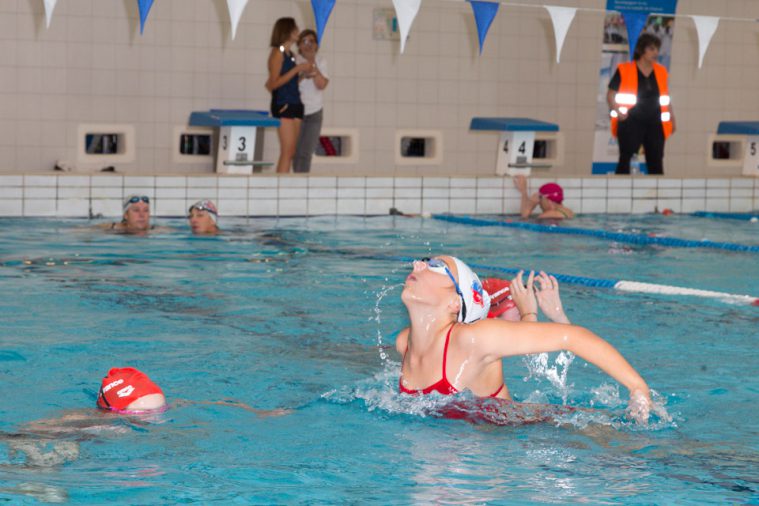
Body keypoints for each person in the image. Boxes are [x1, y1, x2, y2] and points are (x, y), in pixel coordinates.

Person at [396, 256, 653, 423]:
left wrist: (638, 388)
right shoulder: (404, 343)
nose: (418, 265)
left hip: (536, 432)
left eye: (436, 266)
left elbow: (572, 337)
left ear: (455, 302)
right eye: (424, 261)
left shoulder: (473, 340)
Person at [607, 33, 676, 175]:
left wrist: (672, 118)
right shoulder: (624, 69)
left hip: (655, 123)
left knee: (656, 162)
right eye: (651, 49)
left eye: (657, 49)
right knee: (625, 161)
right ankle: (620, 194)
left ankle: (656, 195)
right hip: (630, 122)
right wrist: (618, 111)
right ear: (641, 50)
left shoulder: (661, 71)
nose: (655, 52)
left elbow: (665, 97)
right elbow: (611, 94)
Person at [265, 17, 313, 174]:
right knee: (287, 151)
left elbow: (288, 80)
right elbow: (272, 84)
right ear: (287, 31)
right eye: (295, 29)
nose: (298, 32)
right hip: (283, 103)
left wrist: (302, 75)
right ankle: (280, 189)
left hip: (295, 102)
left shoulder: (290, 54)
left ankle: (285, 185)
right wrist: (297, 69)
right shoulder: (277, 53)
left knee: (292, 151)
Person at [293, 29, 329, 174]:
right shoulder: (294, 59)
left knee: (307, 153)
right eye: (305, 41)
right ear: (299, 45)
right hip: (297, 111)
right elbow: (288, 85)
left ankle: (303, 183)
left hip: (315, 112)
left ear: (316, 45)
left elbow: (321, 85)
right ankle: (295, 181)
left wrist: (313, 65)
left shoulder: (321, 61)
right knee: (296, 151)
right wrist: (302, 74)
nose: (308, 45)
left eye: (312, 41)